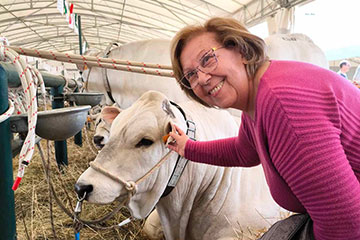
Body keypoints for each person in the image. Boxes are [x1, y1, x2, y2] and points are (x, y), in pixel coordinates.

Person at [167, 17, 360, 240]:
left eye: (208, 59)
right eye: (190, 75)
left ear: (241, 50)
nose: (202, 78)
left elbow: (345, 226)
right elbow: (243, 151)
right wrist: (187, 148)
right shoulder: (258, 97)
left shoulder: (283, 105)